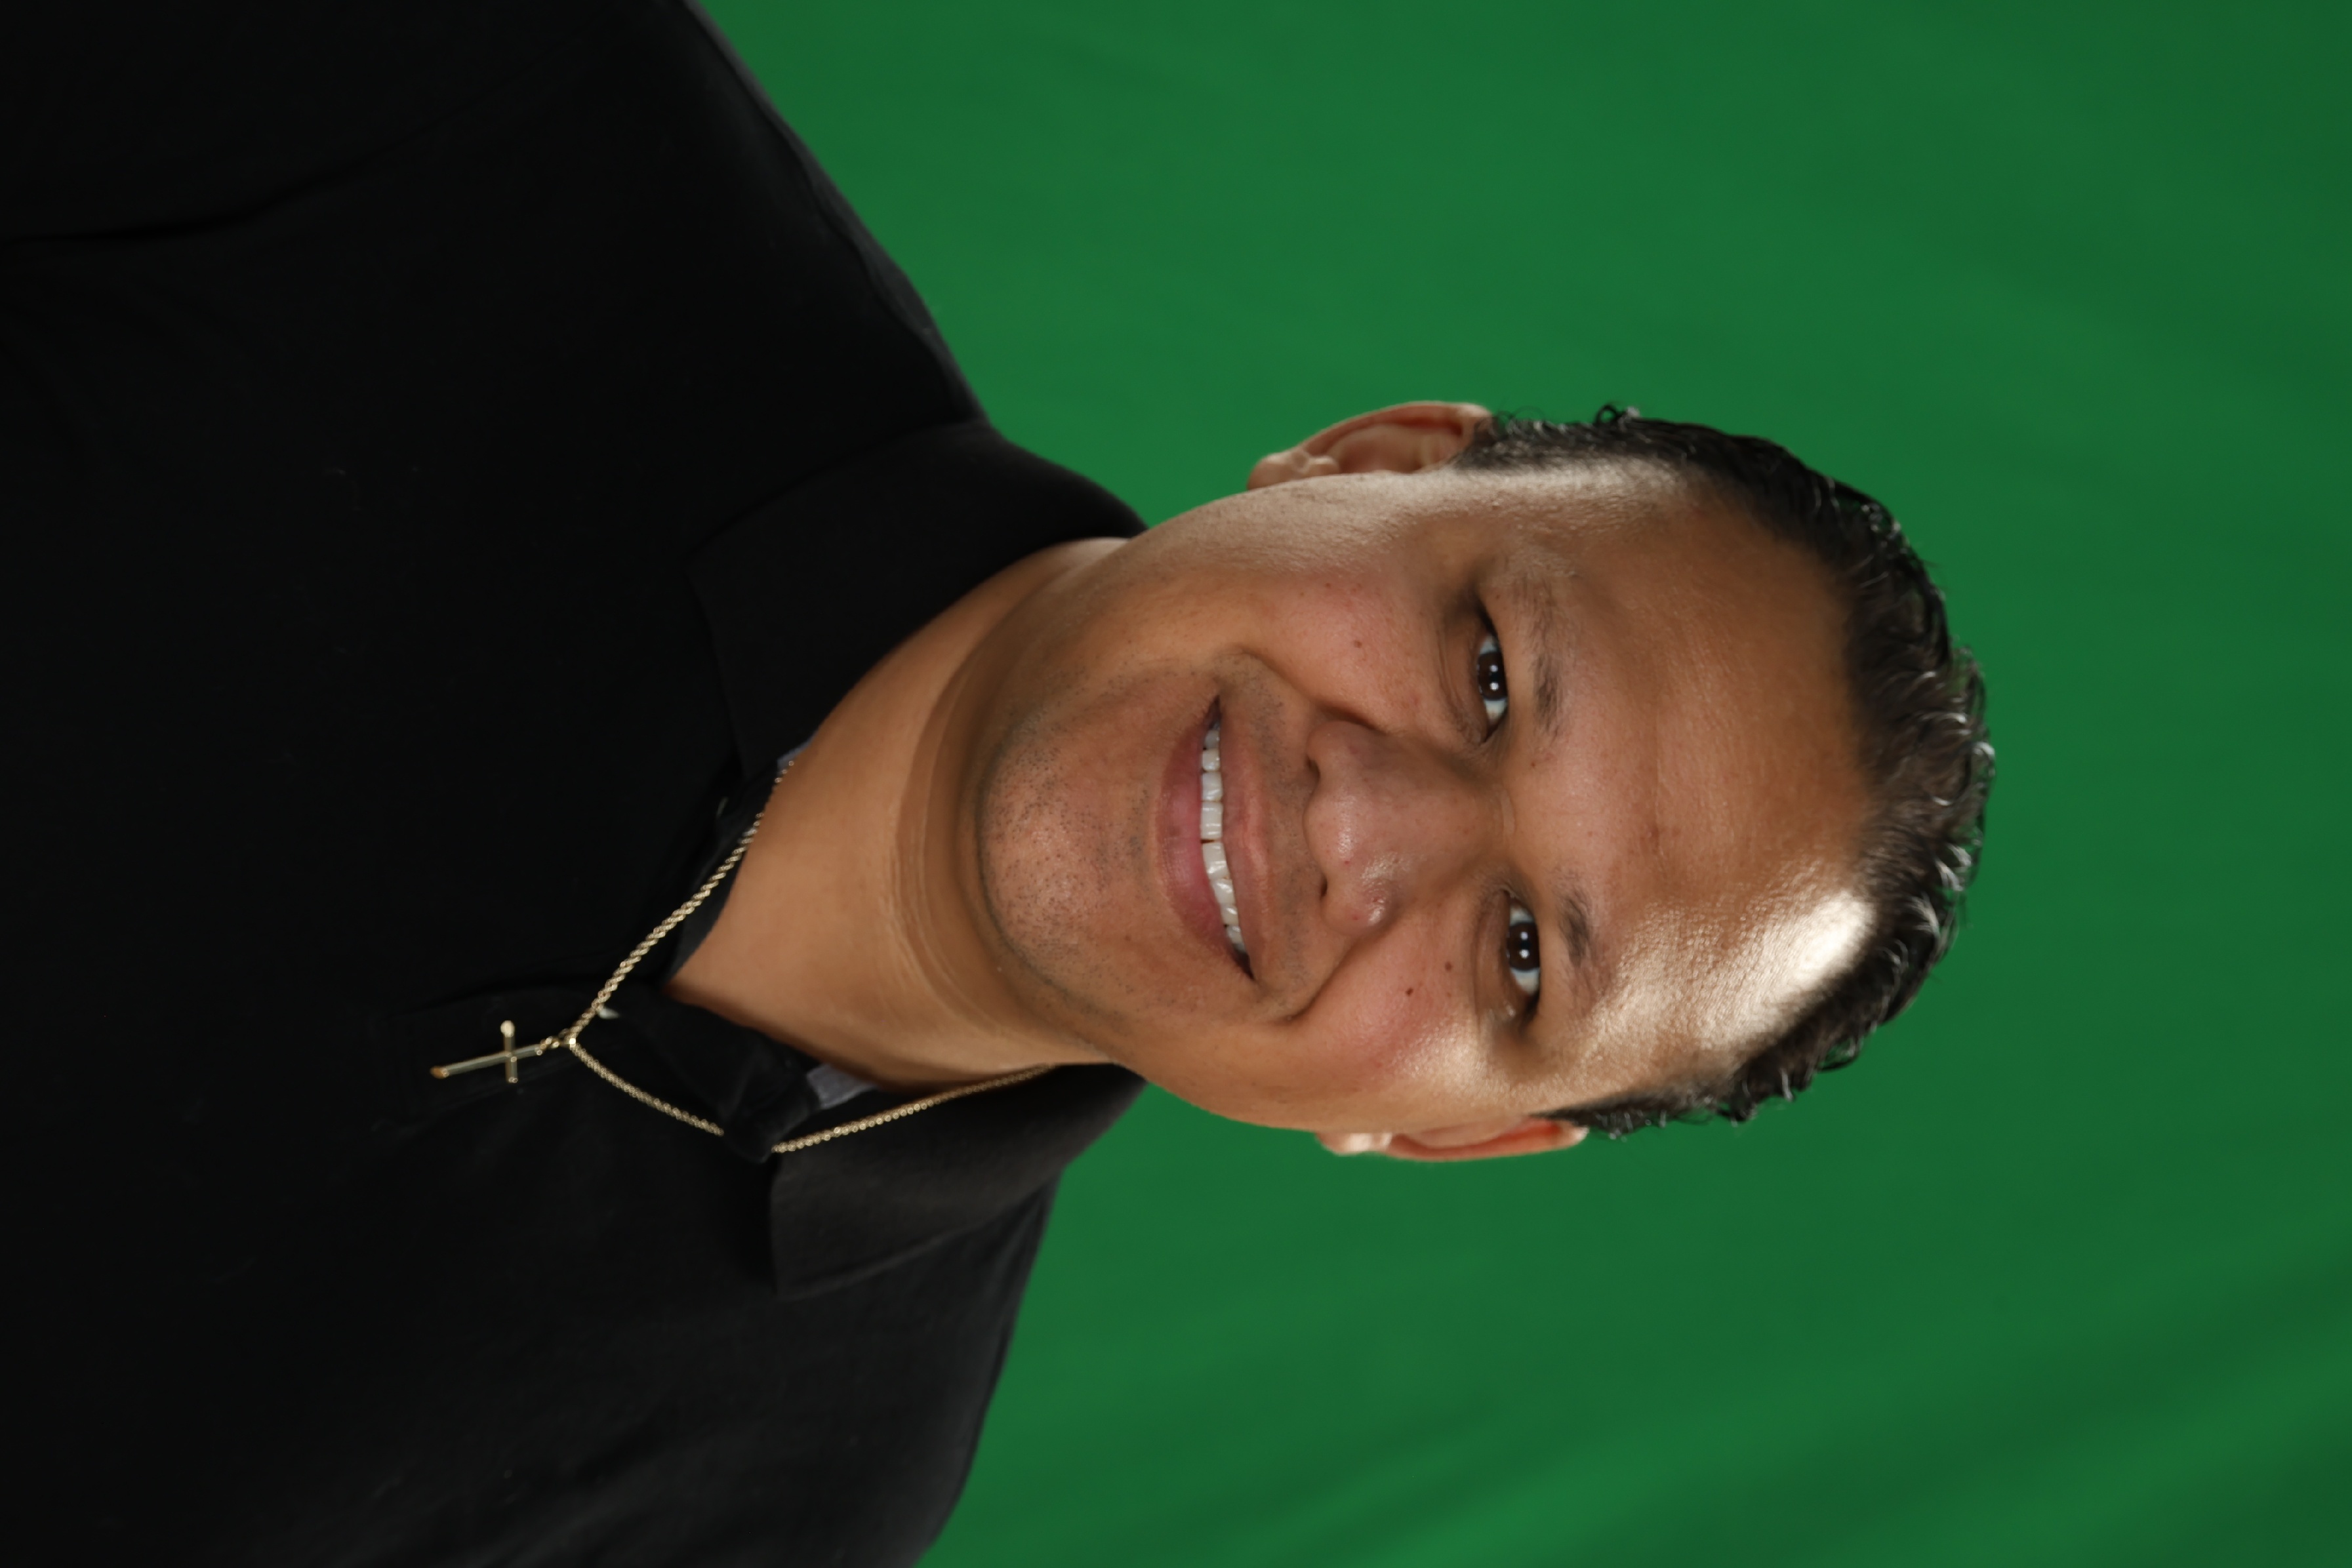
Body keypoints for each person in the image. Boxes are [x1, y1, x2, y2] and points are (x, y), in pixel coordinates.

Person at [1, 1, 1989, 1563]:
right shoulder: (487, 117)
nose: (1362, 824)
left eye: (1525, 956)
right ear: (1367, 462)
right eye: (1486, 672)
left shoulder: (788, 1511)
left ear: (1445, 1134)